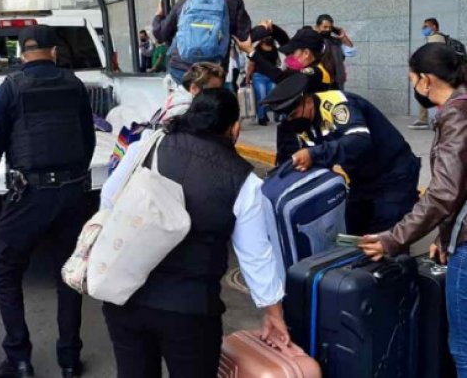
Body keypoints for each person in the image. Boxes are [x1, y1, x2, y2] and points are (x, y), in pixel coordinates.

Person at [101, 89, 288, 378]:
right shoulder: (243, 181)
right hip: (190, 312)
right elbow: (255, 256)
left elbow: (109, 199)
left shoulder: (148, 145)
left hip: (125, 295)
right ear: (234, 128)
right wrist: (273, 313)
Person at [0, 25, 95, 378]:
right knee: (68, 276)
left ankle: (19, 360)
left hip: (29, 196)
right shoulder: (74, 84)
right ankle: (69, 360)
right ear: (54, 51)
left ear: (21, 53)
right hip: (72, 194)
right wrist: (76, 178)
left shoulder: (11, 88)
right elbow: (88, 139)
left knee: (6, 271)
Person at [357, 43, 467, 376]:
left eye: (412, 79)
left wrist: (393, 238)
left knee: (463, 351)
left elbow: (445, 192)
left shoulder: (457, 115)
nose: (413, 86)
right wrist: (446, 235)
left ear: (427, 80)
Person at [261, 74, 420, 235]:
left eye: (294, 115)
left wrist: (313, 154)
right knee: (352, 233)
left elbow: (359, 141)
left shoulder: (337, 105)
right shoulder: (304, 124)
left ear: (307, 101)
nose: (292, 121)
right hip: (362, 180)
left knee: (387, 238)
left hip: (394, 174)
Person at [237, 24, 337, 163]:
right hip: (299, 128)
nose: (291, 56)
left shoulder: (314, 73)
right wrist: (273, 29)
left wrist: (251, 52)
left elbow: (281, 78)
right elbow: (287, 44)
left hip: (304, 134)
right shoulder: (316, 64)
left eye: (295, 52)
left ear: (306, 53)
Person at [152, 0, 252, 83]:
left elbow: (160, 34)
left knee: (185, 96)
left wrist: (158, 16)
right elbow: (244, 37)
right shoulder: (232, 1)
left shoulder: (185, 1)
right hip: (213, 70)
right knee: (213, 98)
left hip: (181, 68)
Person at [410, 18, 449, 130]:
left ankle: (425, 120)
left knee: (425, 92)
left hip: (435, 72)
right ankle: (427, 119)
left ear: (434, 27)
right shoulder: (439, 37)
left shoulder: (435, 37)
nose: (424, 29)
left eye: (426, 26)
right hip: (438, 71)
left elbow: (432, 55)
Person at [246, 23, 288, 126]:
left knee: (273, 96)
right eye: (266, 36)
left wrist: (280, 66)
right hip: (259, 76)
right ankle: (261, 117)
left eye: (269, 36)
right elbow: (252, 63)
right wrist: (247, 77)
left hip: (271, 77)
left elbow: (277, 61)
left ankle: (276, 114)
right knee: (262, 96)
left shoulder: (273, 48)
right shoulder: (257, 49)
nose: (268, 37)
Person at [315, 14, 356, 91]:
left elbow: (351, 52)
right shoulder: (313, 40)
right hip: (320, 80)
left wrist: (343, 36)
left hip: (337, 81)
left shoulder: (336, 41)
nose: (328, 30)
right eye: (325, 27)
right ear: (318, 27)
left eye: (330, 27)